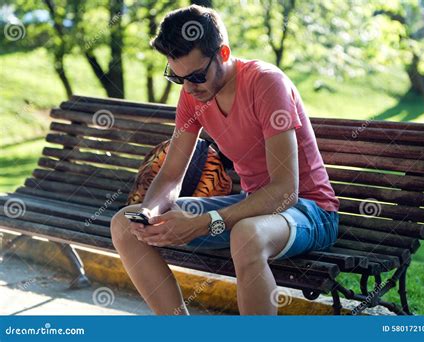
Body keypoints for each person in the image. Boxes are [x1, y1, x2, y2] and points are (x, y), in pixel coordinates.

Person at [110, 4, 340, 315]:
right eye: (178, 79)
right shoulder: (193, 94)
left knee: (247, 235)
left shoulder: (266, 83)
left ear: (224, 53)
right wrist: (151, 215)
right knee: (125, 224)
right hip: (252, 208)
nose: (190, 88)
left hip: (309, 211)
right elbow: (170, 175)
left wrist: (205, 223)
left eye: (197, 76)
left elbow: (286, 190)